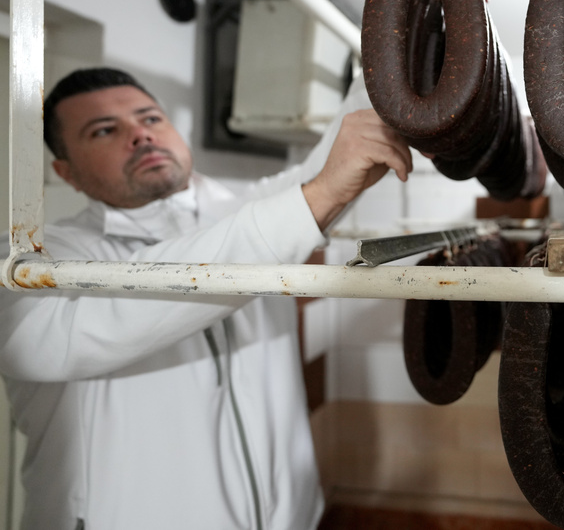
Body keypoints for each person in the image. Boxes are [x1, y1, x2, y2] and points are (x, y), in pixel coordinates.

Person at [0, 67, 413, 530]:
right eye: (104, 130)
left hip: (290, 516)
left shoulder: (234, 214)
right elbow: (42, 341)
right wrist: (316, 198)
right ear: (66, 172)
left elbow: (332, 163)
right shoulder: (30, 261)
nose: (139, 136)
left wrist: (404, 28)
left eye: (150, 118)